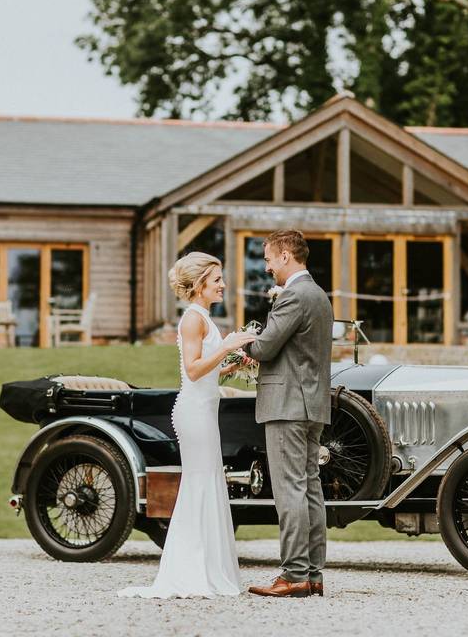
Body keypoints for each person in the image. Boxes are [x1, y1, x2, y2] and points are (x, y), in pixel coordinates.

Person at [118, 252, 255, 599]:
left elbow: (206, 371)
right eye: (216, 279)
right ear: (199, 285)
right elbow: (192, 371)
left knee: (208, 484)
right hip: (193, 412)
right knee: (200, 485)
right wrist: (226, 347)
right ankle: (192, 572)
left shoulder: (204, 318)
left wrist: (232, 362)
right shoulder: (193, 319)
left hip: (204, 409)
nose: (223, 285)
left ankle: (207, 569)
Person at [245, 230, 333, 598]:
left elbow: (265, 347)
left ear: (285, 256)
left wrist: (241, 341)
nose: (266, 267)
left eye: (267, 259)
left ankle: (293, 573)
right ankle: (312, 573)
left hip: (287, 405)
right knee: (310, 487)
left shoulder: (294, 295)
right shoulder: (319, 295)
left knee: (290, 490)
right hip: (311, 404)